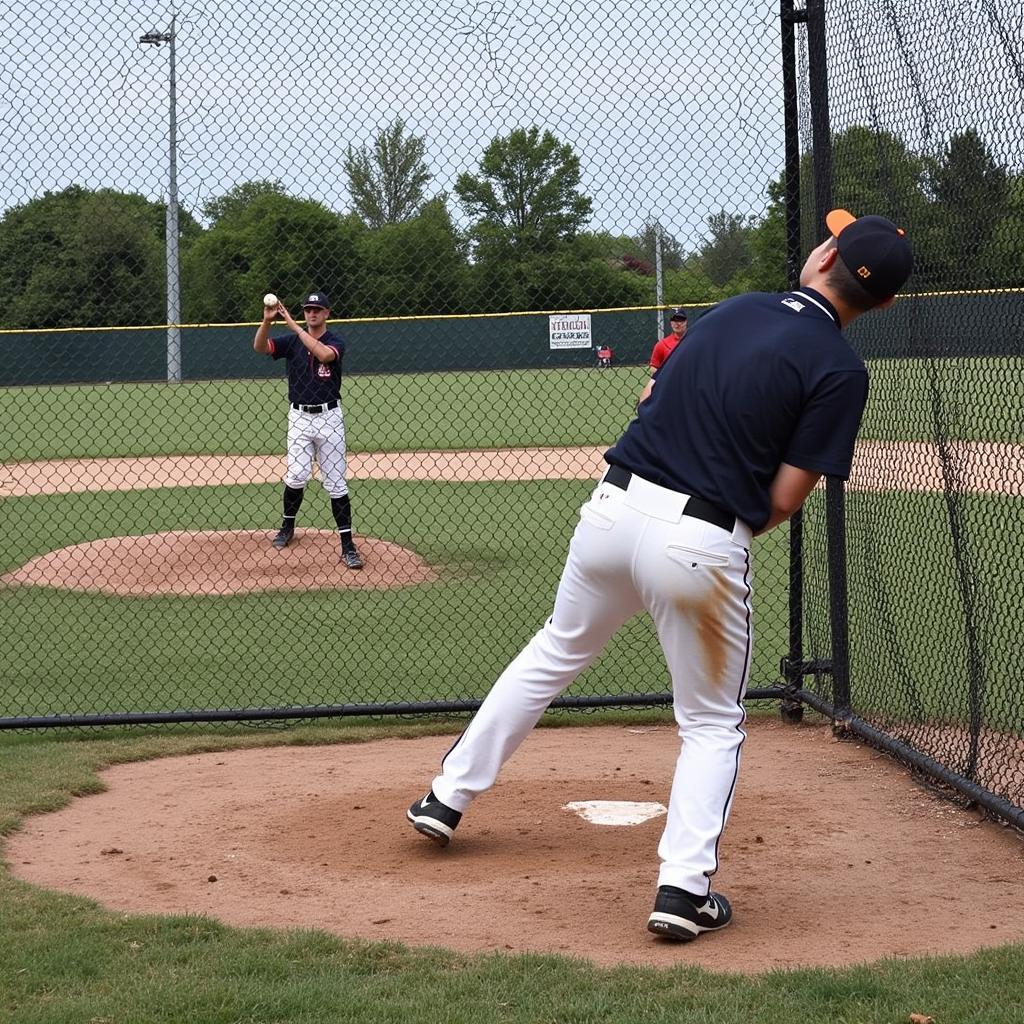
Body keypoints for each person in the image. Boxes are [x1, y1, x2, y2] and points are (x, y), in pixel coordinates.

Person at [407, 210, 912, 942]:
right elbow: (784, 499)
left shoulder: (734, 310)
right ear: (884, 304)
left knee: (556, 649)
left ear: (823, 255)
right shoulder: (840, 370)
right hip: (700, 540)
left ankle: (445, 798)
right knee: (710, 722)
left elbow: (650, 400)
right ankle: (682, 890)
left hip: (610, 511)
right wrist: (713, 533)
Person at [253, 291, 363, 569]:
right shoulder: (291, 341)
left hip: (329, 417)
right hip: (300, 417)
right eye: (307, 309)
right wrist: (267, 321)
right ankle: (287, 528)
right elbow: (260, 347)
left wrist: (291, 325)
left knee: (335, 483)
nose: (311, 313)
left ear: (327, 313)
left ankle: (347, 545)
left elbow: (325, 355)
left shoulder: (334, 341)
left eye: (317, 309)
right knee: (297, 474)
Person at [649, 307, 688, 373]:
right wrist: (666, 375)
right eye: (674, 320)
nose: (677, 323)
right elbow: (653, 367)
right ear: (670, 322)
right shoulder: (662, 344)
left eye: (680, 320)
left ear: (686, 321)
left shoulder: (693, 341)